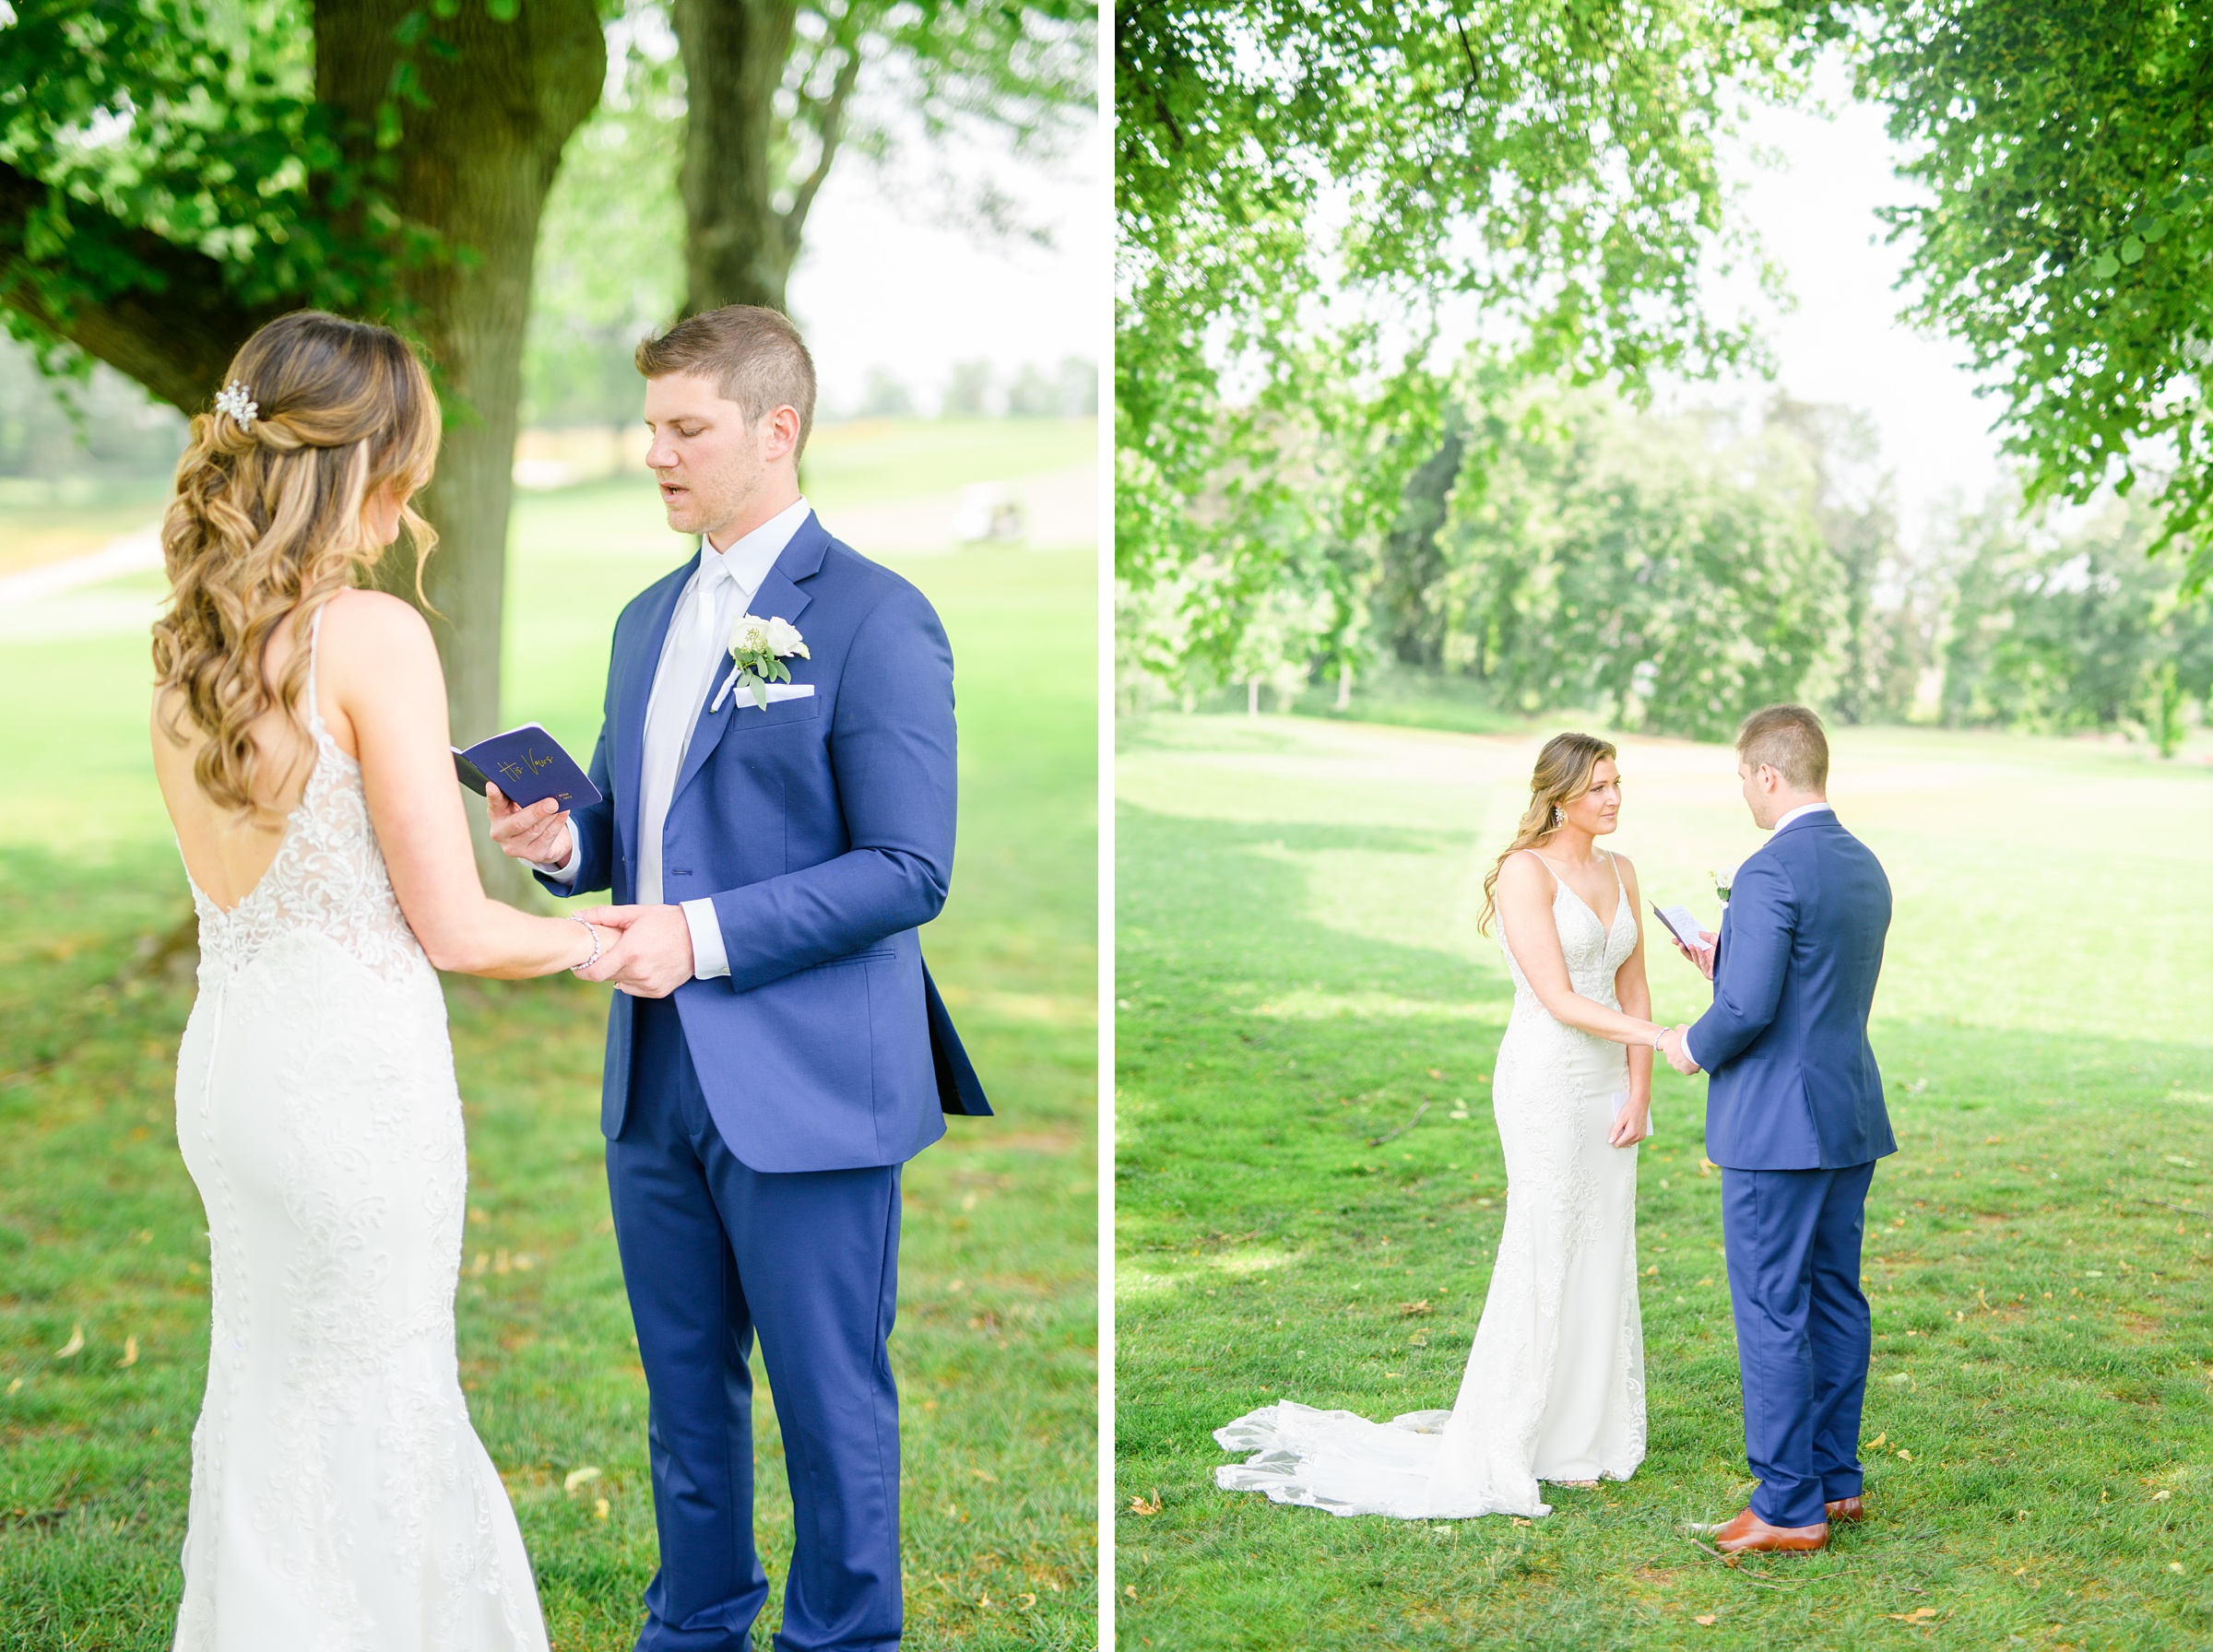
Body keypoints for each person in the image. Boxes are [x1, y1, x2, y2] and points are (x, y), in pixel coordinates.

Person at [486, 304, 988, 1651]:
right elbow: (635, 827)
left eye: (685, 428)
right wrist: (564, 840)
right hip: (653, 1080)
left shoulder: (878, 618)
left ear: (778, 431)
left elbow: (905, 868)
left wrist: (696, 936)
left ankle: (841, 1637)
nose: (656, 452)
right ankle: (695, 1623)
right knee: (682, 1389)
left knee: (830, 1399)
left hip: (810, 1077)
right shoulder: (647, 620)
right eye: (652, 427)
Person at [151, 311, 612, 1648]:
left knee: (268, 1392)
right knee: (379, 1393)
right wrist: (606, 936)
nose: (413, 497)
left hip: (235, 1068)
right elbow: (460, 928)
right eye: (409, 465)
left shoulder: (185, 645)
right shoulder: (374, 638)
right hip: (353, 1085)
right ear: (368, 469)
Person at [1213, 733, 1667, 1517]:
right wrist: (1661, 1042)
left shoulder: (1623, 871)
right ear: (1560, 796)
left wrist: (1640, 1090)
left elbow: (1635, 988)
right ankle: (1524, 1434)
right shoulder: (1526, 873)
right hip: (1547, 1078)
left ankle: (1582, 1434)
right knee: (1547, 1242)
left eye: (1618, 784)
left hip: (1607, 1082)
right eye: (1599, 788)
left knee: (1603, 1245)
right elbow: (1559, 999)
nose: (1615, 799)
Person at [1657, 703, 1894, 1555]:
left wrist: (1690, 1045)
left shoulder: (1767, 871)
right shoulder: (1864, 866)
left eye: (1742, 777)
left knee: (1770, 1305)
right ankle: (1835, 1483)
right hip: (1848, 1112)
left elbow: (1750, 1008)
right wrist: (1731, 957)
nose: (1744, 793)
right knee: (1835, 1294)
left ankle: (1787, 1504)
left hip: (1774, 1129)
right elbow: (1813, 983)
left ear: (1767, 774)